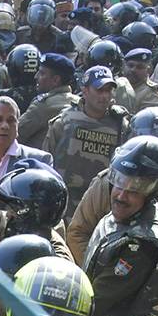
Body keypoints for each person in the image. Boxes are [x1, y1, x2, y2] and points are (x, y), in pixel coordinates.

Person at [84, 135, 158, 316]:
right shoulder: (129, 217)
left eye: (135, 189)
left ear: (155, 192)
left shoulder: (141, 245)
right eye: (118, 182)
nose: (121, 196)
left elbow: (94, 302)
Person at [44, 66, 130, 219]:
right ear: (84, 91)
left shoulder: (120, 125)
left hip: (102, 203)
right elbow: (46, 161)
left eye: (108, 90)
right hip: (66, 201)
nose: (105, 95)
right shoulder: (65, 121)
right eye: (99, 90)